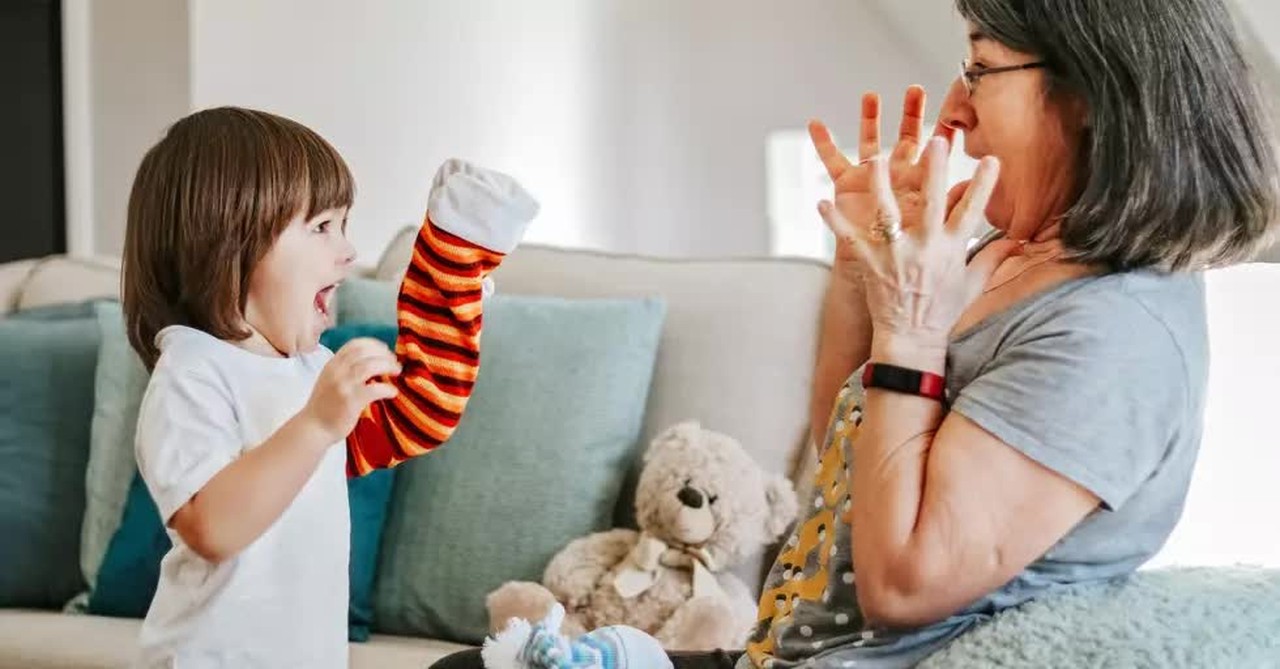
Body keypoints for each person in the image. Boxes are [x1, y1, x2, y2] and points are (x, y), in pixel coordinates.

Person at [433, 0, 1278, 666]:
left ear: (1094, 94)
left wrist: (912, 321)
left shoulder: (1114, 330)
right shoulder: (1004, 251)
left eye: (982, 71)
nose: (955, 107)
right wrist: (864, 262)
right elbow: (846, 446)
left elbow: (903, 582)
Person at [121, 106, 538, 667]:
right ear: (228, 244)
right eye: (322, 227)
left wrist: (452, 263)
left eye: (343, 225)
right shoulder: (192, 372)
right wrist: (316, 424)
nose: (348, 251)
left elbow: (418, 416)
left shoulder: (309, 368)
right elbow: (211, 526)